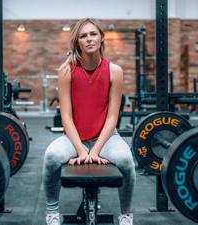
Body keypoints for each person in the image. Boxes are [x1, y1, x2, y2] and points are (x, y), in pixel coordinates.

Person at [42, 18, 136, 225]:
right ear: (77, 43)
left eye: (93, 34)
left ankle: (126, 215)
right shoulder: (66, 71)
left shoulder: (115, 72)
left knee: (127, 161)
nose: (89, 39)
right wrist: (82, 151)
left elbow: (113, 116)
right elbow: (66, 116)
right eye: (83, 36)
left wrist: (94, 151)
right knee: (51, 156)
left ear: (102, 37)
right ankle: (52, 213)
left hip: (106, 137)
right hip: (74, 138)